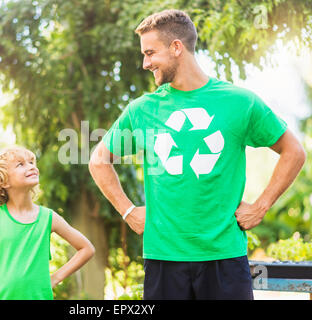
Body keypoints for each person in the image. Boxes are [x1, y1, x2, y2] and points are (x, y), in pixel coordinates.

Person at [88, 9, 306, 300]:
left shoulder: (240, 102)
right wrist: (128, 211)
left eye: (150, 53)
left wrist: (262, 205)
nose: (145, 63)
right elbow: (99, 160)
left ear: (176, 47)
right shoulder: (141, 110)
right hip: (164, 256)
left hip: (224, 255)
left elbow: (294, 151)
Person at [0, 146, 95, 300]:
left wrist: (55, 278)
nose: (31, 167)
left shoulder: (49, 218)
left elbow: (86, 249)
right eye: (20, 164)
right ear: (4, 181)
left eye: (31, 162)